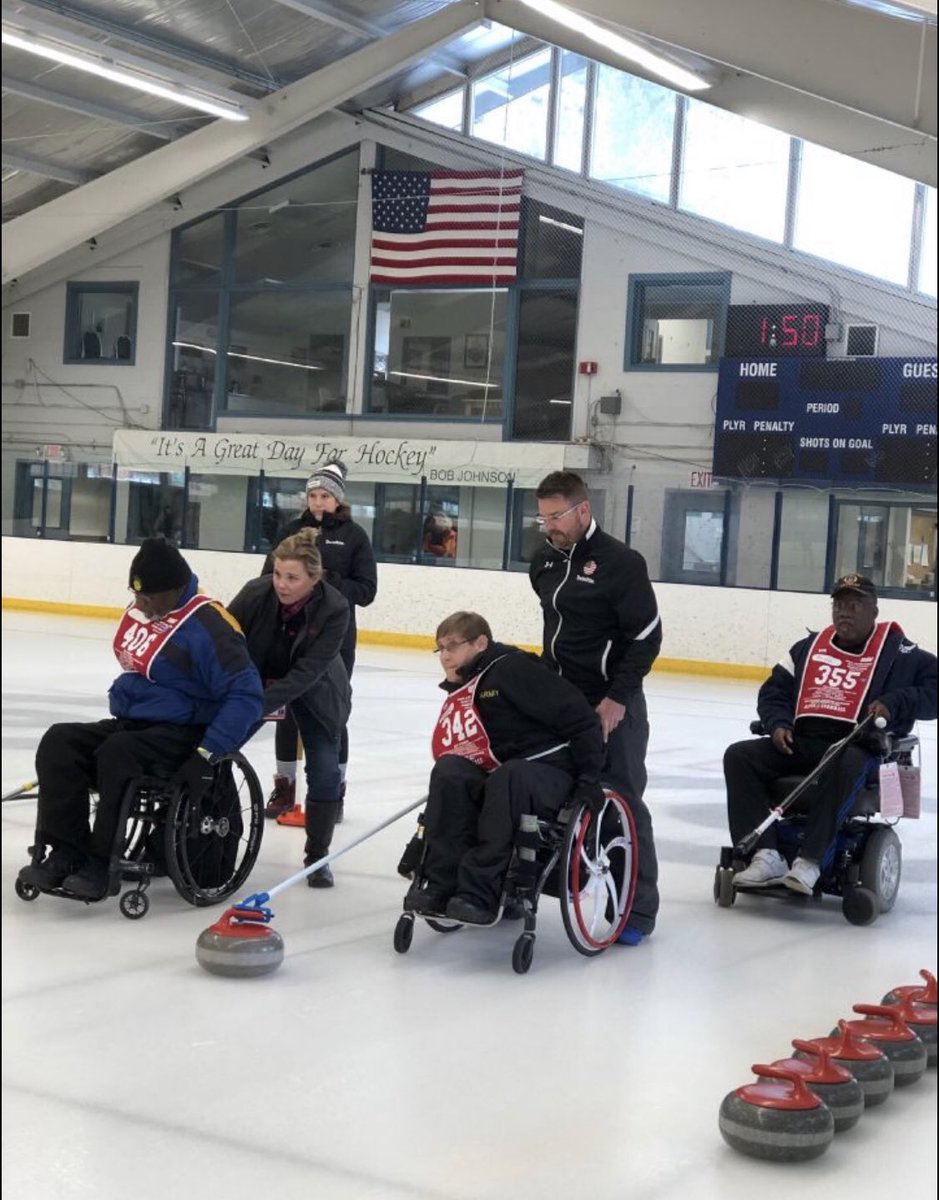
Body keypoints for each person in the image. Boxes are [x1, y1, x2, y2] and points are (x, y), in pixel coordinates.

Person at [17, 538, 264, 901]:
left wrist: (207, 753)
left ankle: (101, 864)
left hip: (185, 732)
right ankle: (66, 850)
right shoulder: (153, 611)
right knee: (60, 741)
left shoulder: (209, 627)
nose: (140, 605)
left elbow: (247, 696)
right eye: (137, 596)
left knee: (119, 752)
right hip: (137, 723)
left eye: (148, 598)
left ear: (175, 590)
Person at [725, 575, 937, 893]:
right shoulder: (807, 649)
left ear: (874, 611)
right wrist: (778, 723)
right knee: (739, 756)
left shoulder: (901, 655)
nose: (844, 612)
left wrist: (895, 702)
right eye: (839, 605)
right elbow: (774, 692)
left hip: (856, 745)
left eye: (854, 605)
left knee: (844, 758)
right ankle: (766, 855)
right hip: (801, 742)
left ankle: (810, 861)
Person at [529, 470, 662, 944]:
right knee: (552, 791)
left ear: (583, 509)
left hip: (613, 703)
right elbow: (554, 630)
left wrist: (617, 698)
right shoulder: (544, 561)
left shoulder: (621, 563)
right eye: (542, 517)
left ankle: (636, 911)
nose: (548, 526)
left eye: (556, 516)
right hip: (562, 703)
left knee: (621, 800)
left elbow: (646, 638)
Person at [405, 611, 605, 923]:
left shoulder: (515, 670)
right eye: (440, 648)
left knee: (509, 778)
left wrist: (590, 778)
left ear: (481, 643)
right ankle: (441, 883)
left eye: (452, 647)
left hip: (549, 771)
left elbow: (581, 720)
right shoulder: (469, 681)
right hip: (502, 770)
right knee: (450, 772)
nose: (445, 656)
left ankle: (480, 892)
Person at [230, 528, 351, 887]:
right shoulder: (256, 592)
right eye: (278, 574)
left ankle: (317, 857)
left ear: (314, 578)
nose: (282, 584)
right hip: (261, 679)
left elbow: (308, 672)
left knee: (326, 771)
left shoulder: (335, 608)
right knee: (218, 743)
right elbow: (225, 638)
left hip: (317, 688)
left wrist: (258, 704)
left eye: (292, 578)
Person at [261, 460, 376, 823]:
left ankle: (333, 792)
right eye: (313, 495)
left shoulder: (354, 536)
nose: (318, 502)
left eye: (325, 495)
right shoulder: (292, 531)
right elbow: (269, 578)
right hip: (290, 638)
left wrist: (324, 581)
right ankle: (285, 786)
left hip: (336, 639)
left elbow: (367, 590)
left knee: (331, 716)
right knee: (287, 713)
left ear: (337, 499)